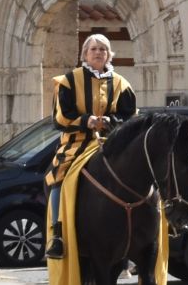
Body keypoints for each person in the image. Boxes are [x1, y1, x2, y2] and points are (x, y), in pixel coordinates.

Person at [44, 34, 136, 261]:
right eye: (93, 49)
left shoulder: (122, 84)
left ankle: (138, 235)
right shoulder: (68, 81)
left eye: (103, 49)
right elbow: (60, 117)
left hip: (112, 142)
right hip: (77, 142)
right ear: (84, 54)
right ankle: (57, 234)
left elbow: (131, 116)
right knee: (58, 174)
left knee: (138, 172)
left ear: (109, 54)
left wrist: (110, 122)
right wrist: (87, 121)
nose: (98, 53)